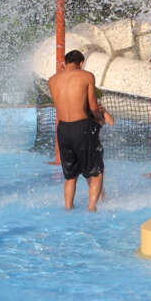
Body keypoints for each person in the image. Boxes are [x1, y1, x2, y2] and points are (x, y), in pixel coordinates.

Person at [47, 50, 113, 211]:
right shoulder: (86, 76)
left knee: (71, 176)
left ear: (65, 63)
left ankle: (69, 208)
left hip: (62, 129)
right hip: (81, 127)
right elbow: (92, 105)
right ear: (81, 63)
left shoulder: (52, 80)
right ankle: (92, 208)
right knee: (96, 172)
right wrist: (99, 117)